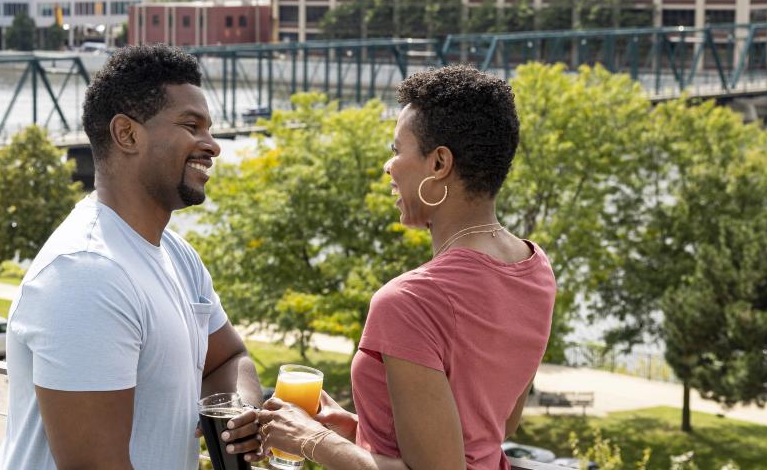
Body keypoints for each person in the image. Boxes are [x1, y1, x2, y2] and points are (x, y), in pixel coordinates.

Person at [225, 65, 557, 470]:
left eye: (397, 150)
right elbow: (493, 427)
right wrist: (353, 430)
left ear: (439, 164)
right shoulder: (535, 267)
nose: (388, 166)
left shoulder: (410, 301)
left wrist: (311, 439)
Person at [0, 44, 264, 470]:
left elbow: (228, 359)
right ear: (127, 134)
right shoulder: (86, 274)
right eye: (191, 126)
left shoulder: (179, 257)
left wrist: (241, 414)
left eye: (208, 129)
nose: (212, 145)